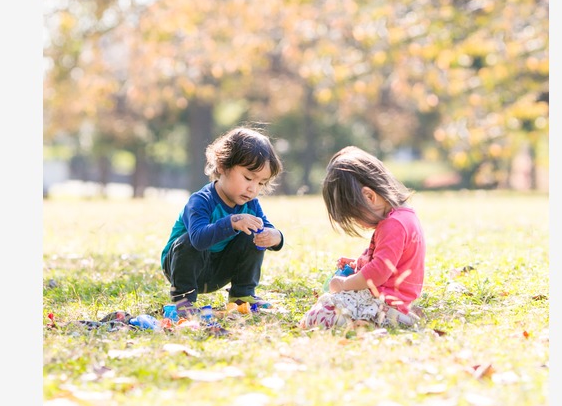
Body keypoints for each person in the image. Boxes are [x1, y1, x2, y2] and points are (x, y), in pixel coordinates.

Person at [160, 126, 285, 316]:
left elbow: (268, 229)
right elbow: (198, 240)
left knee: (254, 231)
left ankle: (242, 295)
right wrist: (232, 222)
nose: (253, 189)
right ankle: (183, 301)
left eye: (260, 183)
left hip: (219, 271)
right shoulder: (201, 201)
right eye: (248, 178)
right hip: (183, 268)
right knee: (189, 240)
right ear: (222, 166)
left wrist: (275, 237)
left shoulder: (251, 204)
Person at [300, 146, 426, 329]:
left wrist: (344, 284)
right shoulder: (402, 217)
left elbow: (379, 273)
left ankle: (365, 324)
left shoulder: (393, 224)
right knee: (327, 307)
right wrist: (359, 266)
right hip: (393, 305)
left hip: (385, 307)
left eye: (355, 216)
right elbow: (389, 264)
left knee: (319, 315)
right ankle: (361, 322)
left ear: (369, 196)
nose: (358, 223)